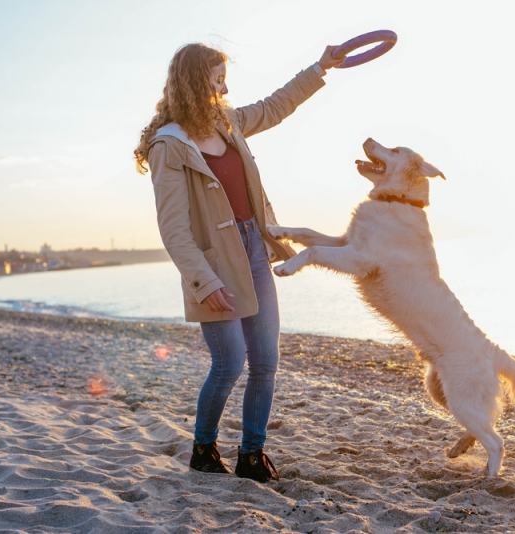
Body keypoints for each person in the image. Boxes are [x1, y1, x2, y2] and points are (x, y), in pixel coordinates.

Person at [134, 42, 345, 483]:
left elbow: (274, 107)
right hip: (215, 262)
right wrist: (203, 282)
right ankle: (204, 448)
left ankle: (252, 454)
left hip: (254, 247)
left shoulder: (226, 121)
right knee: (229, 363)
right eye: (216, 79)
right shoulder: (168, 146)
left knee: (266, 361)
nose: (224, 87)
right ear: (195, 82)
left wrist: (320, 66)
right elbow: (174, 229)